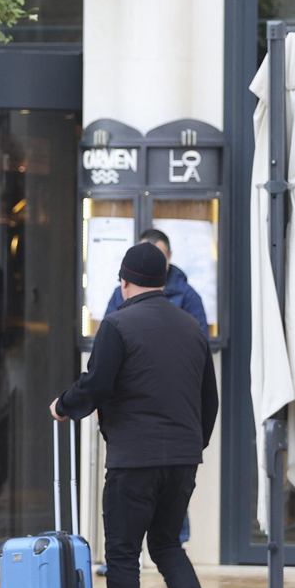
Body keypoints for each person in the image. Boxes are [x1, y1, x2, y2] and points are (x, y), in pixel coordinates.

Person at [51, 241, 222, 588]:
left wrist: (63, 405)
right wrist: (192, 448)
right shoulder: (191, 327)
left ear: (125, 282)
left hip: (133, 460)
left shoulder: (118, 324)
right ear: (163, 281)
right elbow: (210, 402)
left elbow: (96, 386)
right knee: (166, 544)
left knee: (123, 554)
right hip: (183, 460)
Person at [104, 227, 207, 549]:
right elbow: (108, 357)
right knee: (148, 544)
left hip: (167, 430)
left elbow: (200, 364)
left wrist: (67, 405)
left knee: (153, 542)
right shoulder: (121, 303)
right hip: (148, 435)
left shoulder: (188, 298)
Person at [105, 228, 208, 332]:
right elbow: (109, 331)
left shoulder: (188, 295)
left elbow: (199, 339)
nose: (150, 264)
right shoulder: (121, 292)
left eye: (158, 258)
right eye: (144, 258)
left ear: (169, 256)